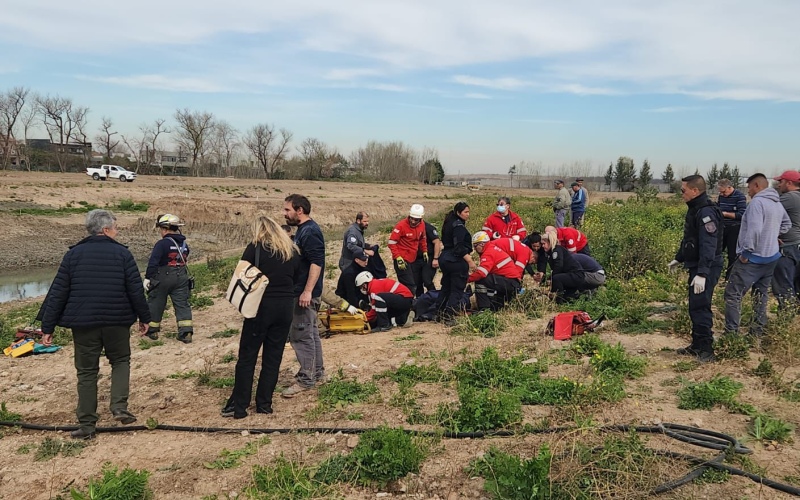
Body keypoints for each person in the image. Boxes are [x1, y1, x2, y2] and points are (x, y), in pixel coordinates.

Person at [39, 210, 151, 440]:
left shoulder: (73, 255)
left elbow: (58, 292)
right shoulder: (123, 254)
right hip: (117, 321)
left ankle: (87, 426)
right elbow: (135, 291)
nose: (117, 232)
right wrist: (145, 318)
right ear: (106, 230)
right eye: (116, 228)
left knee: (87, 372)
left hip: (84, 323)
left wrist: (47, 327)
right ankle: (119, 407)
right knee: (120, 361)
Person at [221, 217, 299, 419]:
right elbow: (298, 278)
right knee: (273, 358)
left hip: (260, 306)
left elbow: (242, 273)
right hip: (285, 308)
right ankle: (265, 404)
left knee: (247, 357)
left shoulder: (255, 248)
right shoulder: (290, 250)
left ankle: (239, 407)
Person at [723, 174, 791, 337]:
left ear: (757, 185)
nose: (748, 190)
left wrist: (746, 253)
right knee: (760, 295)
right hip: (771, 257)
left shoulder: (757, 203)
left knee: (733, 294)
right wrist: (773, 235)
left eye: (749, 187)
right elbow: (787, 224)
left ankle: (731, 336)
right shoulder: (777, 204)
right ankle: (756, 334)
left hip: (753, 258)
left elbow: (754, 230)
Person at [667, 175, 724, 362]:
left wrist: (702, 273)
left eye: (683, 190)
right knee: (695, 306)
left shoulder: (706, 212)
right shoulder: (695, 209)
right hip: (697, 265)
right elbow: (691, 239)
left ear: (695, 191)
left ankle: (707, 350)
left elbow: (709, 244)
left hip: (706, 267)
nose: (681, 194)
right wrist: (679, 258)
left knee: (701, 306)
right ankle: (697, 345)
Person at [282, 194, 327, 398]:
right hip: (305, 292)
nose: (285, 214)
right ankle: (317, 373)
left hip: (305, 294)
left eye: (287, 210)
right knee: (311, 334)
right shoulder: (303, 231)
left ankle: (306, 379)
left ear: (299, 210)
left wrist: (307, 291)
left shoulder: (310, 232)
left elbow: (316, 262)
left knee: (301, 336)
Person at [144, 214, 193, 344]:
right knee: (182, 304)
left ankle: (152, 331)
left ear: (165, 229)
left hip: (163, 277)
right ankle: (186, 332)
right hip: (181, 277)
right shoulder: (184, 244)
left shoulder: (161, 244)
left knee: (156, 302)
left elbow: (153, 262)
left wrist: (148, 278)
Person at [436, 202, 475, 325]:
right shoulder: (458, 226)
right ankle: (449, 315)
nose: (468, 215)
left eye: (468, 212)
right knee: (457, 289)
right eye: (465, 212)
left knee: (446, 287)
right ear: (458, 213)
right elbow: (458, 247)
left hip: (445, 258)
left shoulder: (449, 222)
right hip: (455, 260)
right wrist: (470, 261)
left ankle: (439, 313)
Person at [469, 232, 522, 311]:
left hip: (509, 283)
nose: (475, 248)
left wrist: (466, 279)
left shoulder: (488, 253)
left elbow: (481, 273)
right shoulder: (491, 248)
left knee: (481, 280)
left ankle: (483, 309)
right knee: (495, 305)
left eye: (476, 245)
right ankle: (492, 307)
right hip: (510, 282)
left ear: (482, 244)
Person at [772, 170, 800, 310]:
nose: (778, 185)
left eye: (781, 181)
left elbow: (768, 209)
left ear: (789, 183)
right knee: (795, 283)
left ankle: (786, 316)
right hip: (796, 245)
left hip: (787, 246)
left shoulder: (790, 197)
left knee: (783, 284)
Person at [388, 204, 427, 295]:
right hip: (402, 260)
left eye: (416, 220)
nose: (413, 221)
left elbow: (422, 238)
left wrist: (424, 250)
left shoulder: (422, 225)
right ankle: (408, 305)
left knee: (414, 283)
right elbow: (391, 242)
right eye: (411, 218)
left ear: (421, 218)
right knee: (410, 286)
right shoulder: (401, 225)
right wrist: (397, 257)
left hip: (413, 258)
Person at [541, 230, 590, 303]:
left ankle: (558, 300)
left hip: (575, 275)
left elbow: (558, 266)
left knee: (556, 278)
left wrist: (551, 278)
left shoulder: (556, 251)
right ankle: (581, 295)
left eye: (544, 244)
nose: (543, 246)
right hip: (574, 275)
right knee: (568, 298)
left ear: (549, 242)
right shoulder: (552, 252)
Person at [716, 178, 747, 279]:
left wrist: (725, 214)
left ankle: (729, 277)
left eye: (724, 192)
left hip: (734, 228)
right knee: (717, 251)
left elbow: (742, 214)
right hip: (722, 227)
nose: (722, 194)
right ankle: (715, 274)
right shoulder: (721, 196)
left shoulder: (740, 196)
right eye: (720, 192)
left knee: (732, 254)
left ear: (730, 188)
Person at [417, 220, 442, 296]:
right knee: (417, 282)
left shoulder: (428, 228)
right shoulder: (412, 228)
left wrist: (435, 258)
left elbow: (437, 242)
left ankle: (435, 298)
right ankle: (419, 301)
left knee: (427, 280)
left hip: (429, 257)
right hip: (416, 258)